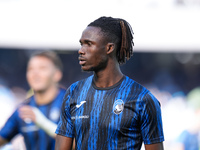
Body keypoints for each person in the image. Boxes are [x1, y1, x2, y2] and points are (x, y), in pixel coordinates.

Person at [55, 16, 164, 150]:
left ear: (109, 48)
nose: (81, 50)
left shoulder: (143, 99)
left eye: (89, 44)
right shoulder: (74, 92)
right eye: (81, 44)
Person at [0, 51, 66, 150]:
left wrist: (44, 124)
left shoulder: (72, 103)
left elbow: (81, 143)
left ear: (57, 74)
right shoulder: (23, 109)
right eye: (31, 69)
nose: (35, 73)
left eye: (42, 68)